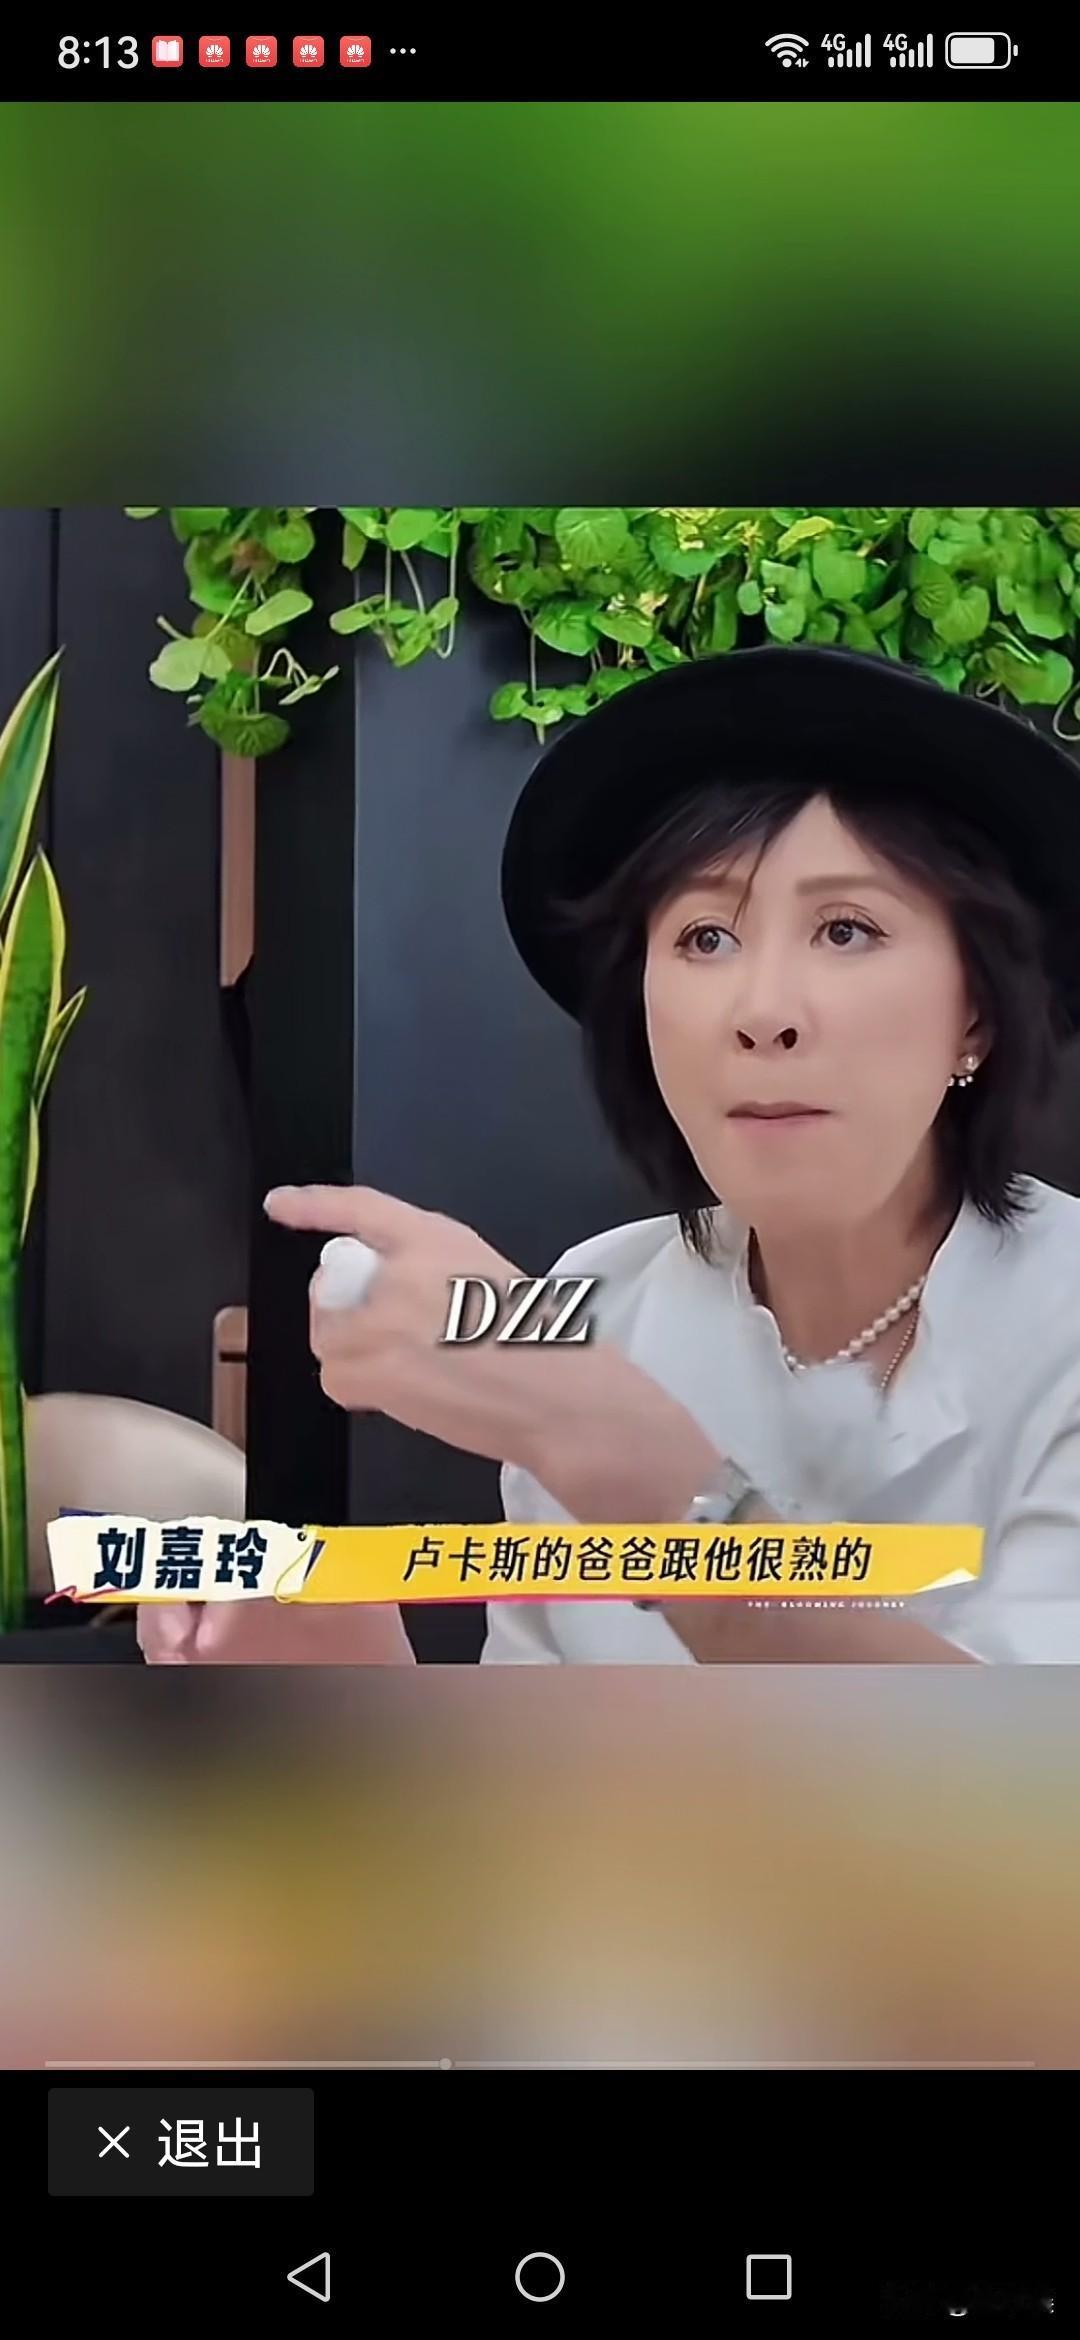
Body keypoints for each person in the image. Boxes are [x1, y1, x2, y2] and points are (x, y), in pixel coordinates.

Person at [139, 645, 1080, 1667]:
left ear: (976, 1013)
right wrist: (357, 1680)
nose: (763, 1011)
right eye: (706, 938)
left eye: (846, 930)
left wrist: (605, 1442)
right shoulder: (600, 1301)